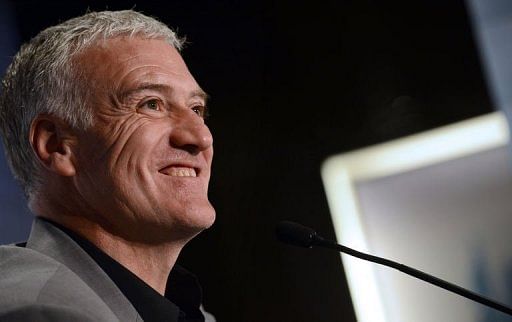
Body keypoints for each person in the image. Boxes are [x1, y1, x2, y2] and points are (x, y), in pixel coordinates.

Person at [0, 10, 216, 322]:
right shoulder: (40, 310)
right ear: (56, 145)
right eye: (151, 104)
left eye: (197, 109)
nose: (200, 136)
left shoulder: (188, 313)